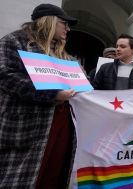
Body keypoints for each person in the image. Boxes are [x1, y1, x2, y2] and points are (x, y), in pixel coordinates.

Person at [0, 3, 77, 188]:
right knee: (22, 178)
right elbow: (5, 75)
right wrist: (53, 94)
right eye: (63, 23)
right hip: (26, 125)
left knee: (54, 173)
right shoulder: (15, 41)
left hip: (61, 124)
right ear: (48, 21)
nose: (68, 29)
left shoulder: (63, 53)